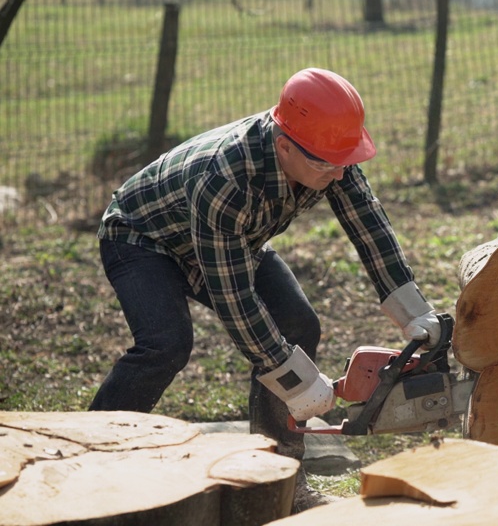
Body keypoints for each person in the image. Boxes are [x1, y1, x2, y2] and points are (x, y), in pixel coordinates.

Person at [90, 67, 441, 513]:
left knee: (297, 323)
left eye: (343, 162)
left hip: (228, 240)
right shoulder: (226, 179)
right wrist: (290, 377)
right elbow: (234, 301)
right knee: (166, 344)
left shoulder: (326, 153)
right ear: (283, 146)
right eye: (325, 164)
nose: (337, 174)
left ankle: (279, 477)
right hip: (143, 237)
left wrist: (413, 310)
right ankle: (92, 449)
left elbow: (369, 228)